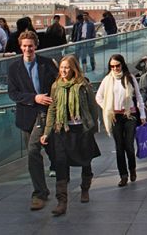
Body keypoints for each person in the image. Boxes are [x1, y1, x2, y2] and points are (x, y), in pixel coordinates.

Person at [40, 55, 101, 213]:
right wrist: (47, 132)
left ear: (73, 68)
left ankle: (85, 188)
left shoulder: (83, 85)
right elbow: (52, 111)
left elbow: (92, 107)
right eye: (61, 67)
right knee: (61, 164)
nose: (63, 70)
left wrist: (93, 127)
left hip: (81, 130)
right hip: (62, 130)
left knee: (85, 161)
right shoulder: (56, 86)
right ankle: (62, 201)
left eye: (66, 67)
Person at [7, 31, 58, 211]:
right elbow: (13, 93)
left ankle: (39, 193)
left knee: (33, 150)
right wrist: (34, 98)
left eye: (30, 45)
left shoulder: (46, 63)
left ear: (35, 46)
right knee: (40, 152)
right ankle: (50, 185)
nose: (28, 49)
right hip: (26, 115)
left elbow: (58, 83)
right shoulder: (14, 68)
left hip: (45, 114)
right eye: (24, 46)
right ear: (20, 47)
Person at [95, 54, 146, 187]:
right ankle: (123, 175)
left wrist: (142, 115)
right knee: (119, 147)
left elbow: (139, 96)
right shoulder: (107, 80)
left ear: (122, 64)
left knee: (129, 145)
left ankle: (132, 169)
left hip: (130, 114)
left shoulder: (130, 78)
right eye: (112, 66)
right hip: (115, 116)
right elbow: (98, 97)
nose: (115, 68)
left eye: (117, 65)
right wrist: (107, 108)